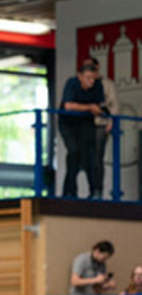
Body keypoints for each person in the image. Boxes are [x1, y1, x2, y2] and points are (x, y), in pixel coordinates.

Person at [59, 60, 105, 199]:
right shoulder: (71, 84)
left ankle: (94, 191)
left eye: (93, 78)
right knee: (74, 152)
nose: (91, 81)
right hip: (68, 123)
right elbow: (68, 106)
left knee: (91, 156)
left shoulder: (97, 86)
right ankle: (69, 191)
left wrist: (96, 110)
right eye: (88, 78)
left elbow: (98, 106)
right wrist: (89, 107)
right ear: (80, 76)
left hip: (85, 123)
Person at [85, 56, 119, 199]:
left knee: (97, 157)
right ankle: (92, 190)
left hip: (101, 124)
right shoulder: (82, 84)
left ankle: (98, 191)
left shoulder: (106, 84)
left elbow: (114, 104)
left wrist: (112, 121)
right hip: (86, 124)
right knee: (86, 157)